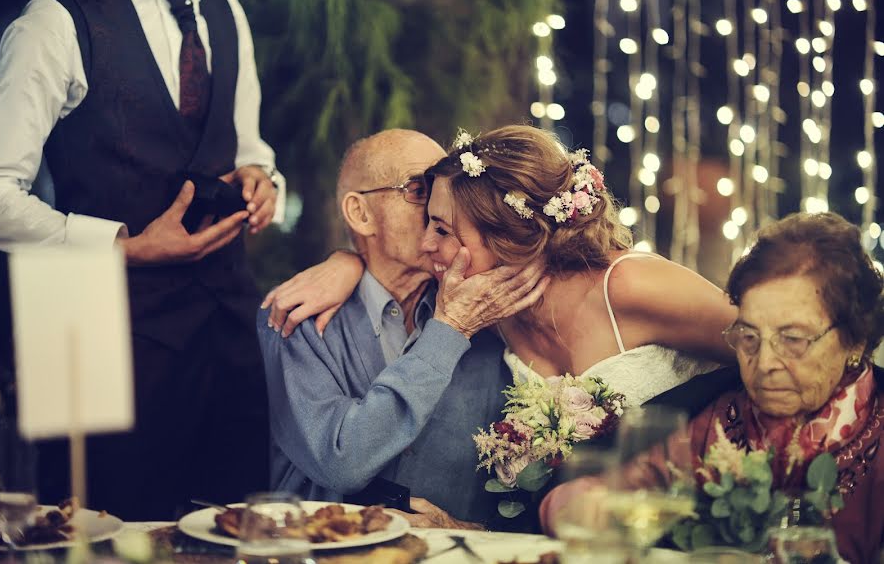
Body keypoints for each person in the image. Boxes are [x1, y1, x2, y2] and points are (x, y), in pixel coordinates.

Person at [0, 0, 282, 520]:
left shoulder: (226, 12)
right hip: (107, 332)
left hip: (229, 328)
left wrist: (262, 180)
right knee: (116, 530)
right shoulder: (56, 18)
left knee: (239, 528)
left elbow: (248, 149)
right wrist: (118, 244)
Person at [265, 125, 737, 409]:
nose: (428, 242)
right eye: (425, 217)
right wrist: (348, 261)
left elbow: (770, 347)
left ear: (508, 237)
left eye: (444, 230)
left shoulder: (630, 285)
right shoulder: (490, 315)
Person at [540, 212, 884, 564]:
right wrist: (578, 503)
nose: (764, 364)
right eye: (749, 337)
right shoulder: (722, 418)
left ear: (855, 339)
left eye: (793, 339)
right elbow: (617, 487)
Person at [257, 129, 548, 527]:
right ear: (360, 214)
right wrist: (449, 331)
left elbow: (535, 492)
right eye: (418, 189)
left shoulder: (493, 310)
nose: (440, 203)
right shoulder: (295, 314)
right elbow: (340, 461)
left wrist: (467, 529)